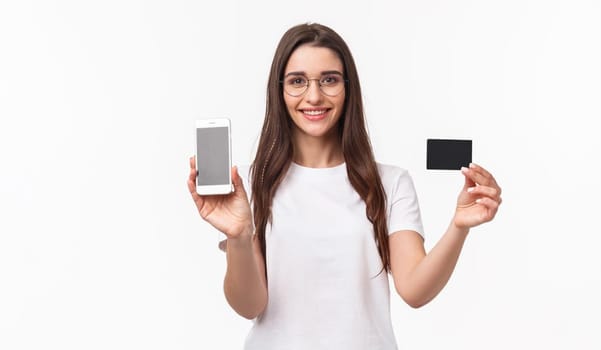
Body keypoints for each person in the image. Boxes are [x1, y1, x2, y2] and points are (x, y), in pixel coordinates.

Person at [186, 23, 502, 349]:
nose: (314, 96)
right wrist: (237, 237)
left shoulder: (390, 183)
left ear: (347, 87)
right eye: (297, 81)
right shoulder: (251, 184)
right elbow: (248, 305)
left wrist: (459, 226)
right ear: (279, 91)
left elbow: (415, 290)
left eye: (329, 80)